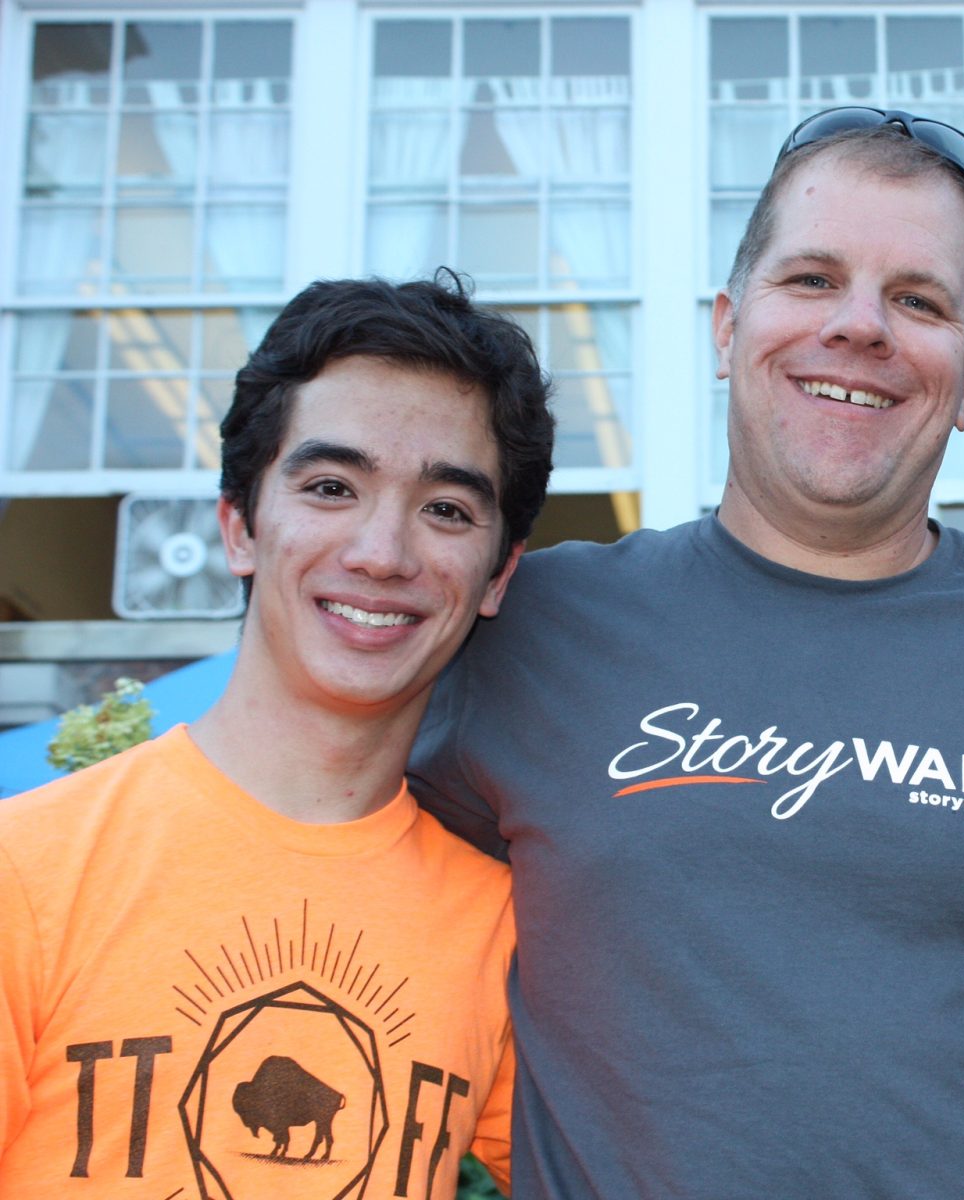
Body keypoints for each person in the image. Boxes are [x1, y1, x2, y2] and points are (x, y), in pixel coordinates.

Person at [410, 107, 964, 1198]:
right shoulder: (535, 627)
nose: (860, 326)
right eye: (812, 279)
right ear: (726, 328)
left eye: (919, 301)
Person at [0, 274, 555, 1198]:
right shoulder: (25, 873)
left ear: (497, 577)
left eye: (447, 509)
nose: (382, 552)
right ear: (240, 526)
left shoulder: (503, 926)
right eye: (332, 487)